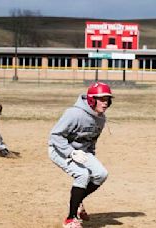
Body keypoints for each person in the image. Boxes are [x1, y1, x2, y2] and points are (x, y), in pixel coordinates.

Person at [48, 82, 112, 228]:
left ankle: (77, 201)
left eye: (107, 99)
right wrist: (71, 152)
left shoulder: (101, 118)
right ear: (91, 99)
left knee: (101, 174)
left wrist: (91, 159)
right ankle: (70, 219)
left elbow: (91, 141)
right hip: (59, 149)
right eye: (101, 99)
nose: (105, 103)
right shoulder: (74, 113)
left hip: (82, 152)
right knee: (82, 174)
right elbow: (55, 136)